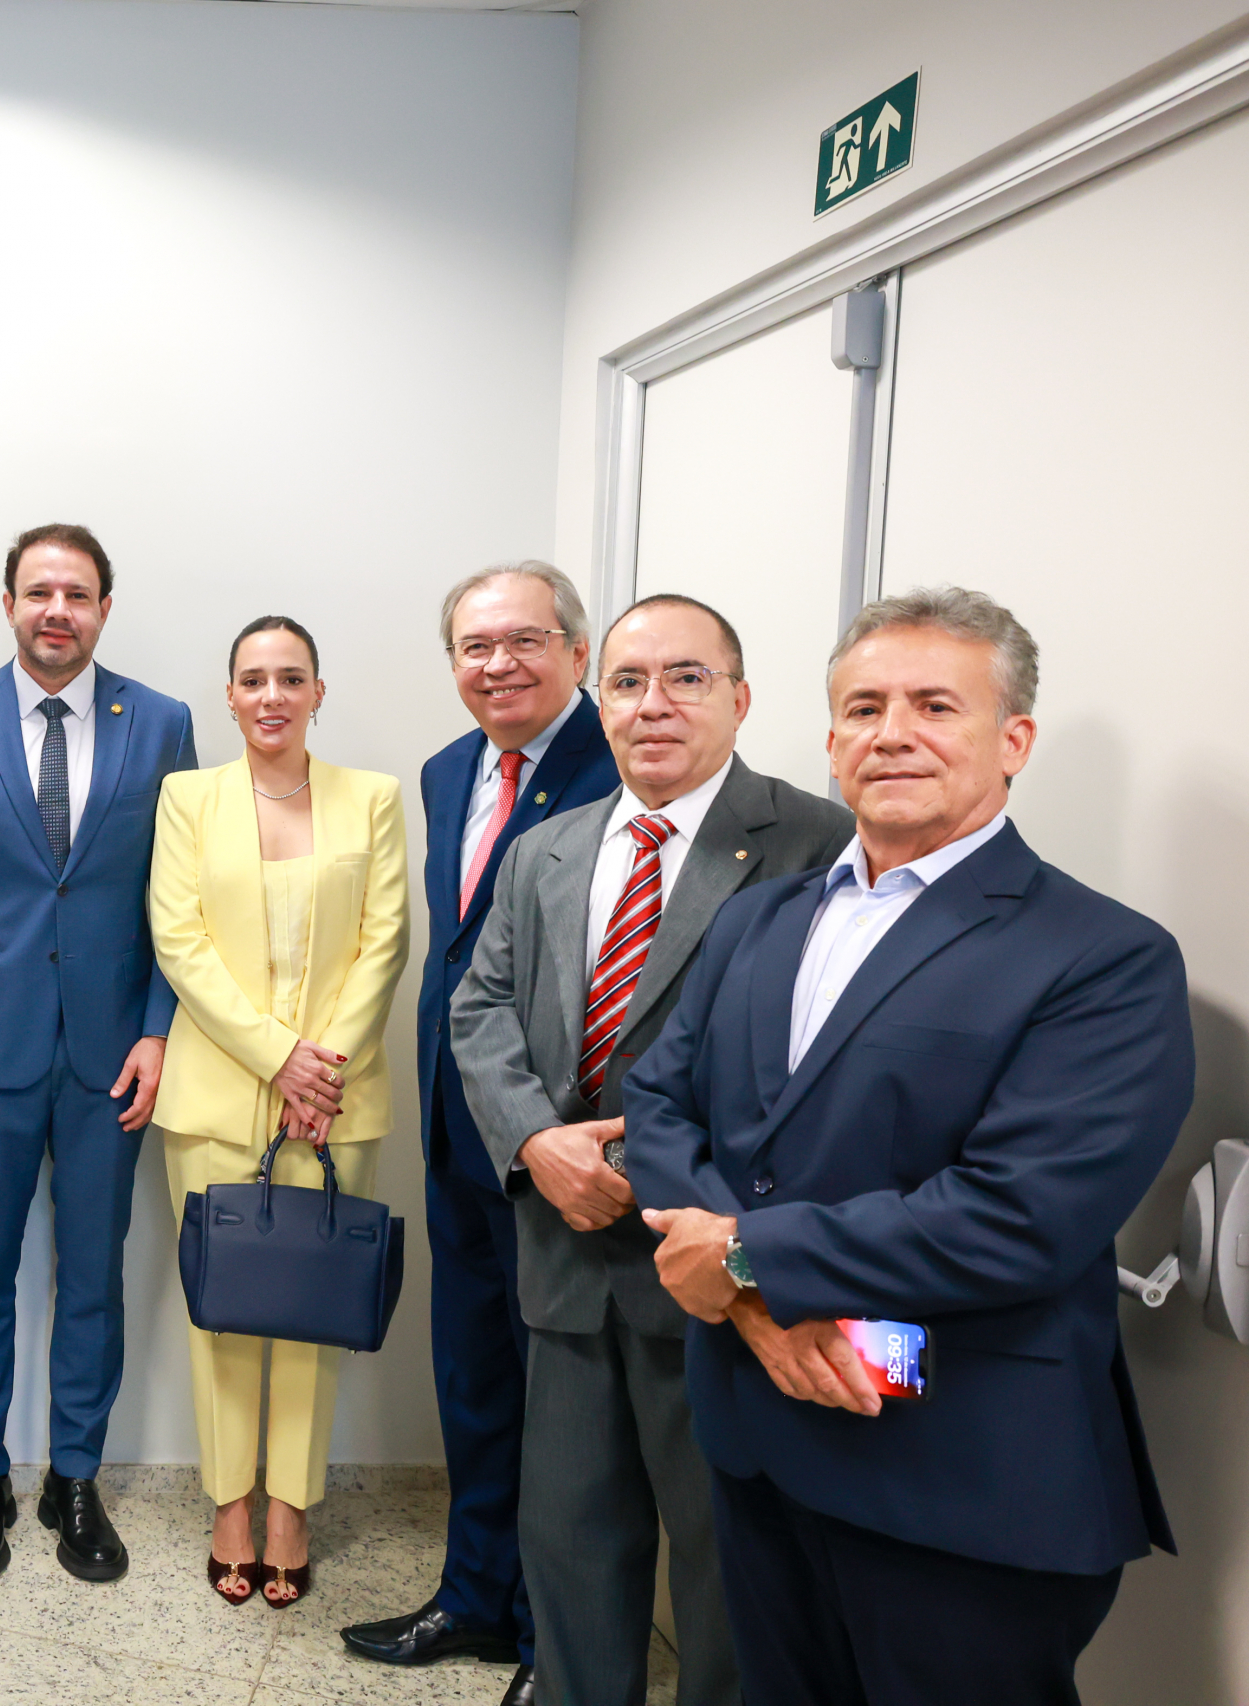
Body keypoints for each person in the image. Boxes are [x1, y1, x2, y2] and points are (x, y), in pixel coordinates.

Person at [626, 588, 1186, 1706]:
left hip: (954, 1468)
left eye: (935, 705)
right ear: (831, 739)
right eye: (863, 707)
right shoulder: (758, 919)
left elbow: (1015, 1216)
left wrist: (744, 1260)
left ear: (1012, 739)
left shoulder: (1103, 957)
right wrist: (753, 1305)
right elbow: (658, 1106)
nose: (892, 733)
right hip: (760, 1435)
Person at [450, 594, 850, 1706]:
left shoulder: (815, 841)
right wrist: (537, 1140)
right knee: (570, 1539)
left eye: (686, 677)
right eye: (627, 682)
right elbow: (479, 1007)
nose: (652, 704)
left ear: (740, 697)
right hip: (564, 1252)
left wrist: (659, 1176)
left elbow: (826, 1054)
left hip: (717, 1262)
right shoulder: (547, 847)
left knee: (725, 1558)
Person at [342, 561, 617, 1704]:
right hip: (456, 1127)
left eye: (523, 640)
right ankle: (475, 1594)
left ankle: (559, 1642)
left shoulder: (621, 761)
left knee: (567, 1409)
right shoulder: (449, 767)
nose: (497, 664)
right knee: (474, 1378)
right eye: (474, 645)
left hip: (559, 1137)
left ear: (576, 651)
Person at [0, 523, 196, 1584]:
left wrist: (159, 1030)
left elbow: (179, 894)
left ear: (103, 609)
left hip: (112, 1050)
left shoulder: (160, 721)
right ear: (8, 604)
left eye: (77, 594)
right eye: (38, 591)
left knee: (93, 1274)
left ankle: (75, 1476)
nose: (57, 611)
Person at [149, 615, 408, 1608]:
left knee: (310, 1310)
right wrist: (276, 1058)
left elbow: (384, 939)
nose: (271, 695)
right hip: (217, 1094)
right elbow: (179, 939)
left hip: (335, 1098)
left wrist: (318, 1069)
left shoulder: (371, 797)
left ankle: (291, 1507)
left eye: (290, 677)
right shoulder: (188, 798)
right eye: (253, 678)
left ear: (317, 692)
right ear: (229, 695)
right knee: (220, 1309)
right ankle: (229, 1503)